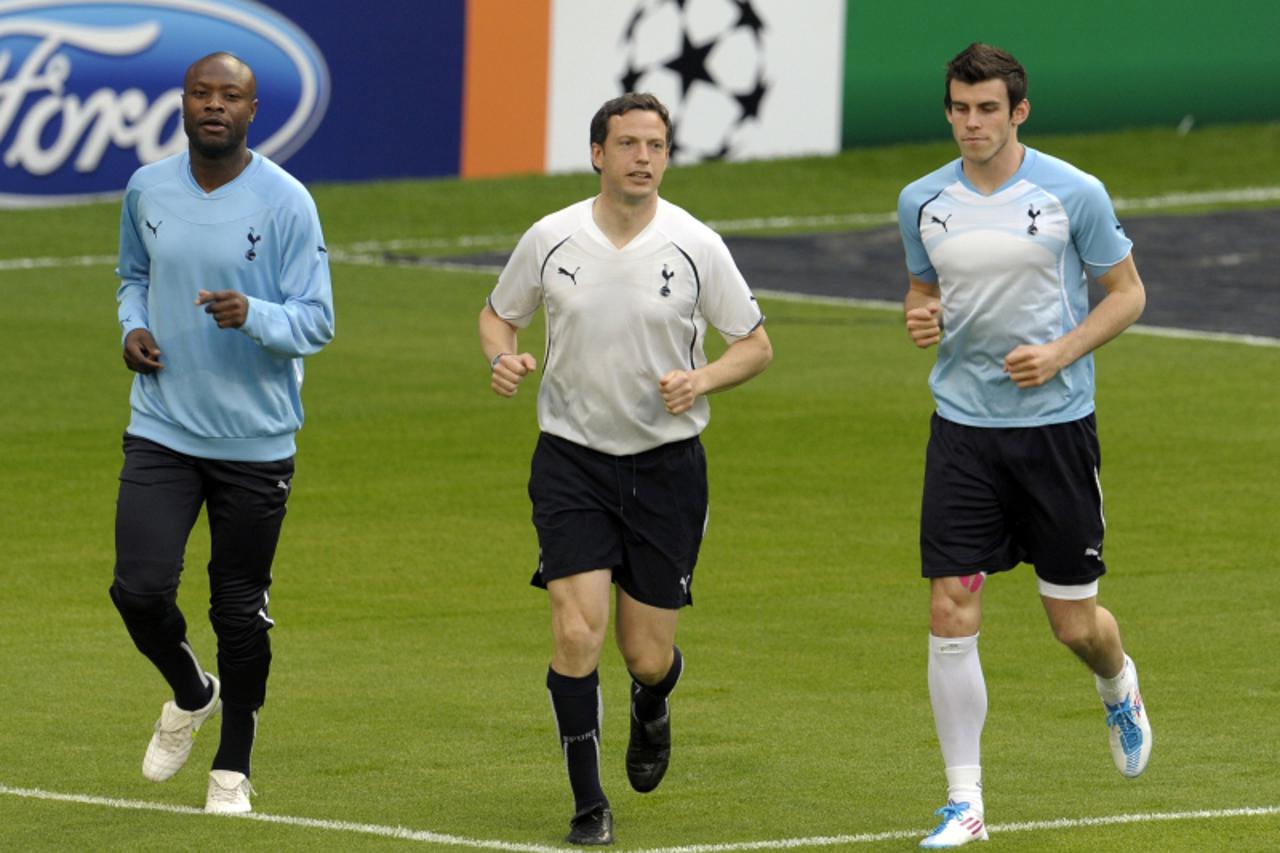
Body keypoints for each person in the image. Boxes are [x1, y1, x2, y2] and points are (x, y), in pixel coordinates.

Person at [479, 92, 772, 846]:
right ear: (597, 154)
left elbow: (754, 344)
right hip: (571, 461)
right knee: (577, 632)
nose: (644, 157)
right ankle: (589, 804)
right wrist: (502, 356)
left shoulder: (696, 244)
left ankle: (653, 697)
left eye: (656, 145)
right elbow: (498, 313)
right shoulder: (551, 237)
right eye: (629, 144)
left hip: (666, 469)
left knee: (645, 653)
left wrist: (701, 380)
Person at [897, 43, 1152, 848]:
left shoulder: (1073, 192)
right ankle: (964, 800)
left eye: (987, 109)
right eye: (959, 109)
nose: (971, 123)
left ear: (1019, 112)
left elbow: (1128, 293)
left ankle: (1118, 683)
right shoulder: (921, 200)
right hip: (963, 434)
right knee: (950, 605)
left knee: (1074, 626)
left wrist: (1062, 353)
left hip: (1055, 433)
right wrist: (919, 316)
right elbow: (923, 290)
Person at [110, 52, 334, 815]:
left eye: (229, 95)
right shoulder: (147, 187)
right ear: (182, 103)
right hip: (162, 425)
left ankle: (233, 762)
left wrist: (255, 314)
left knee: (237, 609)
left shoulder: (287, 202)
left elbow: (317, 320)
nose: (214, 105)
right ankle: (190, 690)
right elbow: (132, 276)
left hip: (254, 441)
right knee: (139, 590)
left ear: (251, 110)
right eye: (201, 93)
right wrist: (132, 327)